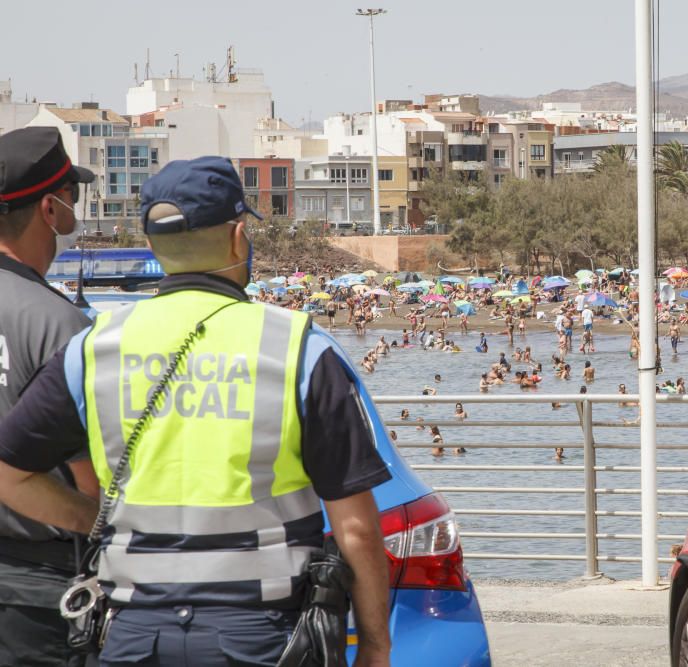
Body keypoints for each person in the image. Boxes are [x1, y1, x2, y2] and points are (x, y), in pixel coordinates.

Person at [0, 156, 393, 666]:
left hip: (136, 636)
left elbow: (9, 474)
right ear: (236, 237)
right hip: (262, 634)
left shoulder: (95, 348)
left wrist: (94, 520)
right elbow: (357, 528)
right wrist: (377, 647)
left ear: (155, 248)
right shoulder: (295, 348)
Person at [0, 127, 98, 666]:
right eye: (72, 196)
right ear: (50, 208)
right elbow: (92, 479)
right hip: (40, 590)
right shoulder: (59, 323)